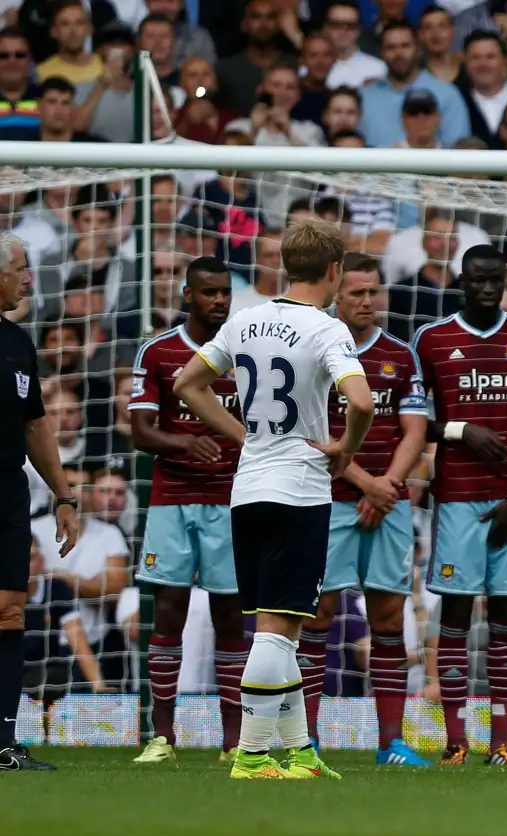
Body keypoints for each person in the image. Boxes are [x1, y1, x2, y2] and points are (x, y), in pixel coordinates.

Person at [172, 218, 371, 780]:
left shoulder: (245, 320)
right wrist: (344, 451)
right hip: (299, 490)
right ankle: (253, 755)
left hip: (248, 489)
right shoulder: (327, 330)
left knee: (283, 628)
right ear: (334, 271)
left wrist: (244, 437)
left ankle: (300, 751)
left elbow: (187, 383)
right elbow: (361, 401)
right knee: (275, 628)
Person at [412, 245, 507, 766]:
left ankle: (502, 742)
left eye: (496, 280)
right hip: (457, 499)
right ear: (461, 281)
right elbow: (413, 419)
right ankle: (455, 741)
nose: (488, 288)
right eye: (478, 280)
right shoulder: (432, 339)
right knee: (456, 619)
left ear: (506, 280)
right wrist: (462, 430)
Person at [298, 254, 429, 766]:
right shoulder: (314, 350)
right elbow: (308, 431)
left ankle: (391, 743)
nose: (367, 302)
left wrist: (388, 487)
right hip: (326, 499)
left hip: (388, 501)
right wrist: (365, 483)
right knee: (318, 615)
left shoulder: (400, 354)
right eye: (356, 293)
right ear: (337, 296)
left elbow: (414, 429)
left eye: (374, 292)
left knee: (389, 617)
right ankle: (305, 736)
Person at [127, 257, 249, 765]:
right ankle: (162, 737)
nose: (218, 300)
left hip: (232, 498)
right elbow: (139, 430)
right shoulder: (158, 352)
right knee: (170, 610)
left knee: (230, 616)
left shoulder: (247, 352)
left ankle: (233, 741)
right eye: (208, 293)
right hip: (172, 500)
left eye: (224, 292)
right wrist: (184, 444)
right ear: (187, 295)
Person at [0, 232, 78, 771]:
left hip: (5, 492)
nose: (29, 279)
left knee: (9, 611)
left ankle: (3, 742)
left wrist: (65, 494)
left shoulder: (17, 341)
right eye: (22, 269)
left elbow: (34, 424)